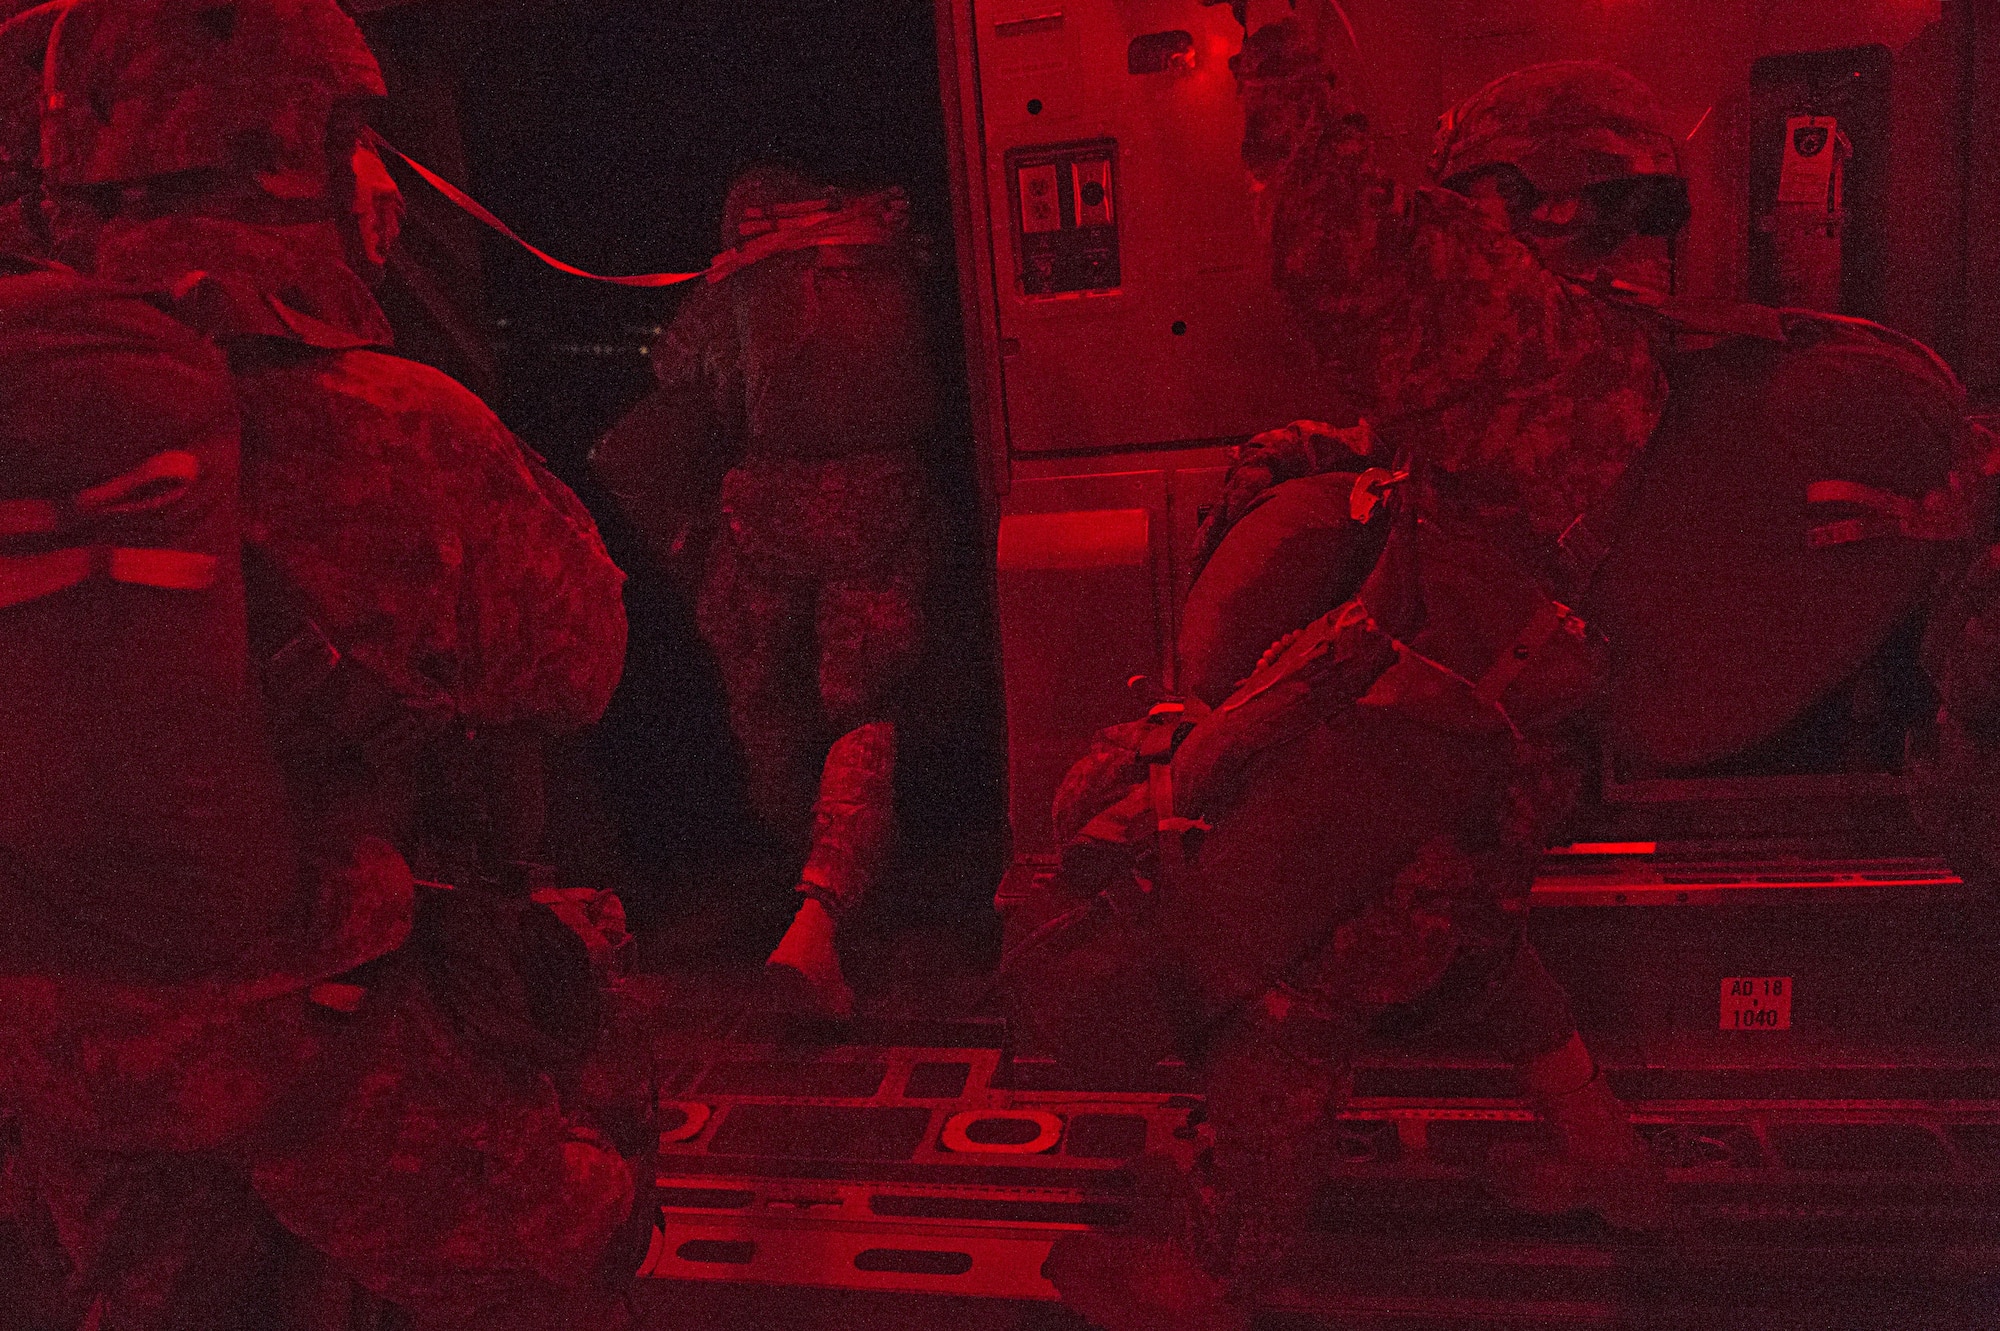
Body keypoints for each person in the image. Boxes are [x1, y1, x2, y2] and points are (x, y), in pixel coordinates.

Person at [10, 0, 646, 1324]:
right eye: (357, 135)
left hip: (68, 1044)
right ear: (288, 154)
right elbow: (582, 661)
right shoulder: (397, 428)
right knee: (580, 1236)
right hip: (333, 1037)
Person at [593, 162, 940, 1018]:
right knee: (862, 713)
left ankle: (807, 896)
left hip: (764, 521)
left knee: (773, 715)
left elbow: (679, 376)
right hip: (883, 508)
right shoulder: (890, 263)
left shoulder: (735, 294)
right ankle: (827, 910)